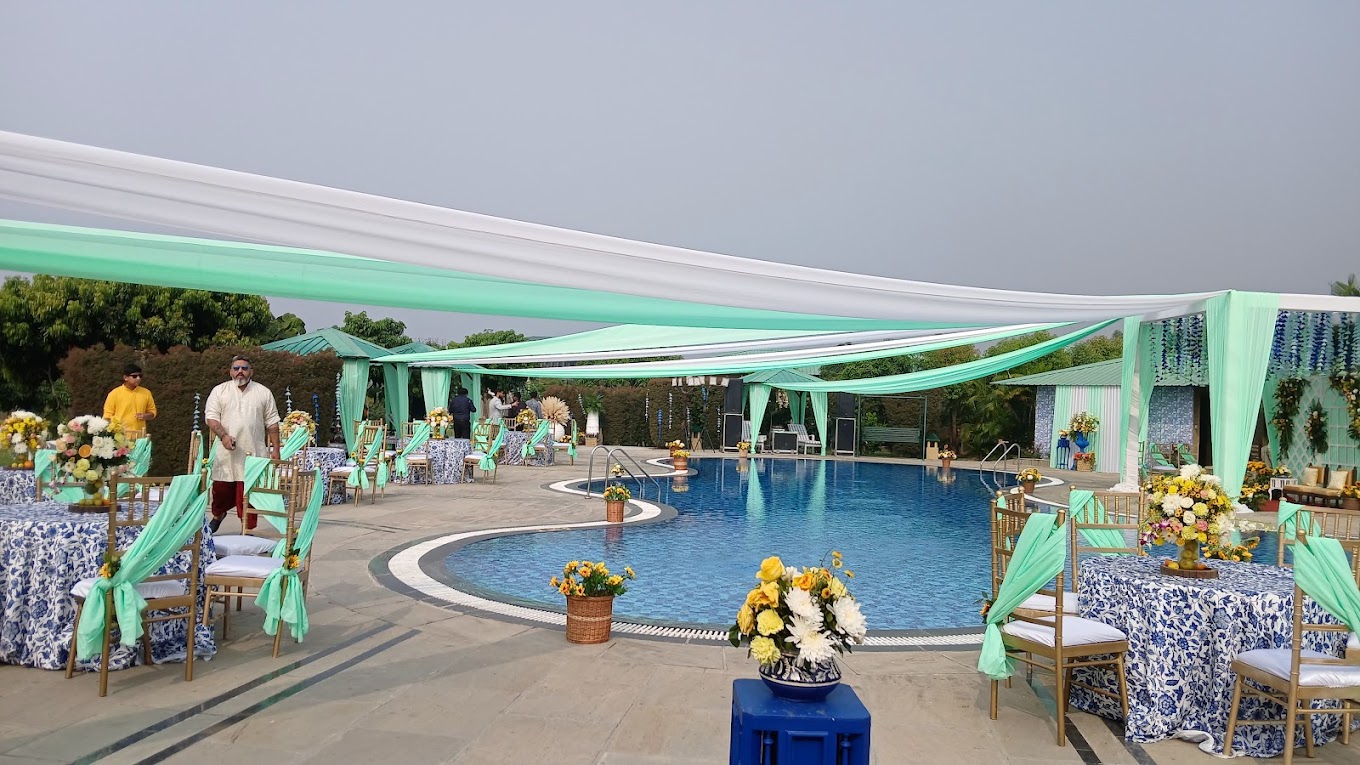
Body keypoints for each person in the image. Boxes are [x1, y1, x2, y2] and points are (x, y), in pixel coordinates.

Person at [204, 355, 281, 533]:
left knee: (248, 493)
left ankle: (247, 529)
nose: (240, 372)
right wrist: (223, 436)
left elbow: (272, 423)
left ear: (251, 371)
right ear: (230, 371)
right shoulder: (220, 391)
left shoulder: (263, 392)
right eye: (236, 368)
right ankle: (218, 515)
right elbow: (211, 418)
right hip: (227, 453)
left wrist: (276, 449)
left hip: (253, 453)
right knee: (221, 491)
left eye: (244, 368)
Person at [102, 363, 156, 439]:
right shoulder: (114, 394)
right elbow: (107, 416)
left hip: (139, 437)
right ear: (125, 378)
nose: (138, 378)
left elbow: (153, 412)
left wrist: (145, 416)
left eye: (140, 376)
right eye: (134, 376)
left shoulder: (146, 393)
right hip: (120, 437)